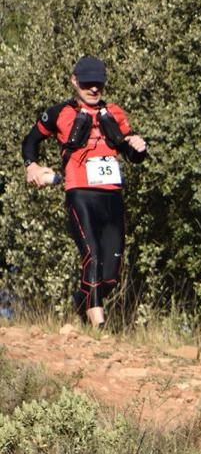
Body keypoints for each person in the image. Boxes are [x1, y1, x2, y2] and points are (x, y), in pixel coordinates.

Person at [21, 56, 147, 328]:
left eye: (98, 84)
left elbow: (130, 153)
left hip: (112, 195)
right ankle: (100, 326)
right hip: (79, 193)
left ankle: (81, 300)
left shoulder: (115, 112)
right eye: (87, 83)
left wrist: (139, 147)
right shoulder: (59, 113)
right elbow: (30, 140)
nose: (93, 89)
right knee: (92, 253)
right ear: (74, 81)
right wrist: (31, 165)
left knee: (111, 273)